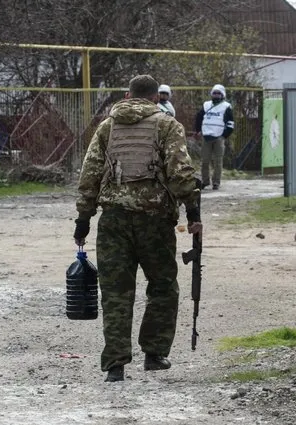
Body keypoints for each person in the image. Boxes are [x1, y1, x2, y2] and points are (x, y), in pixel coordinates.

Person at [73, 74, 202, 383]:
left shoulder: (108, 126)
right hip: (154, 220)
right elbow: (180, 171)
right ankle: (154, 354)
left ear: (127, 95)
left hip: (113, 220)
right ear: (156, 97)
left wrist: (84, 218)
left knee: (116, 291)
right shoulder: (168, 125)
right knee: (162, 285)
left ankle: (115, 364)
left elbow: (90, 172)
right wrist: (192, 210)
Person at [194, 84, 234, 190]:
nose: (216, 95)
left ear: (222, 95)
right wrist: (198, 130)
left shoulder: (226, 106)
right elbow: (199, 117)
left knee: (218, 162)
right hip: (206, 137)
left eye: (218, 93)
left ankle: (216, 182)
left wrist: (224, 136)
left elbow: (230, 123)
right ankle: (205, 181)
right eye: (214, 93)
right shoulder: (206, 105)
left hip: (219, 137)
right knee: (205, 161)